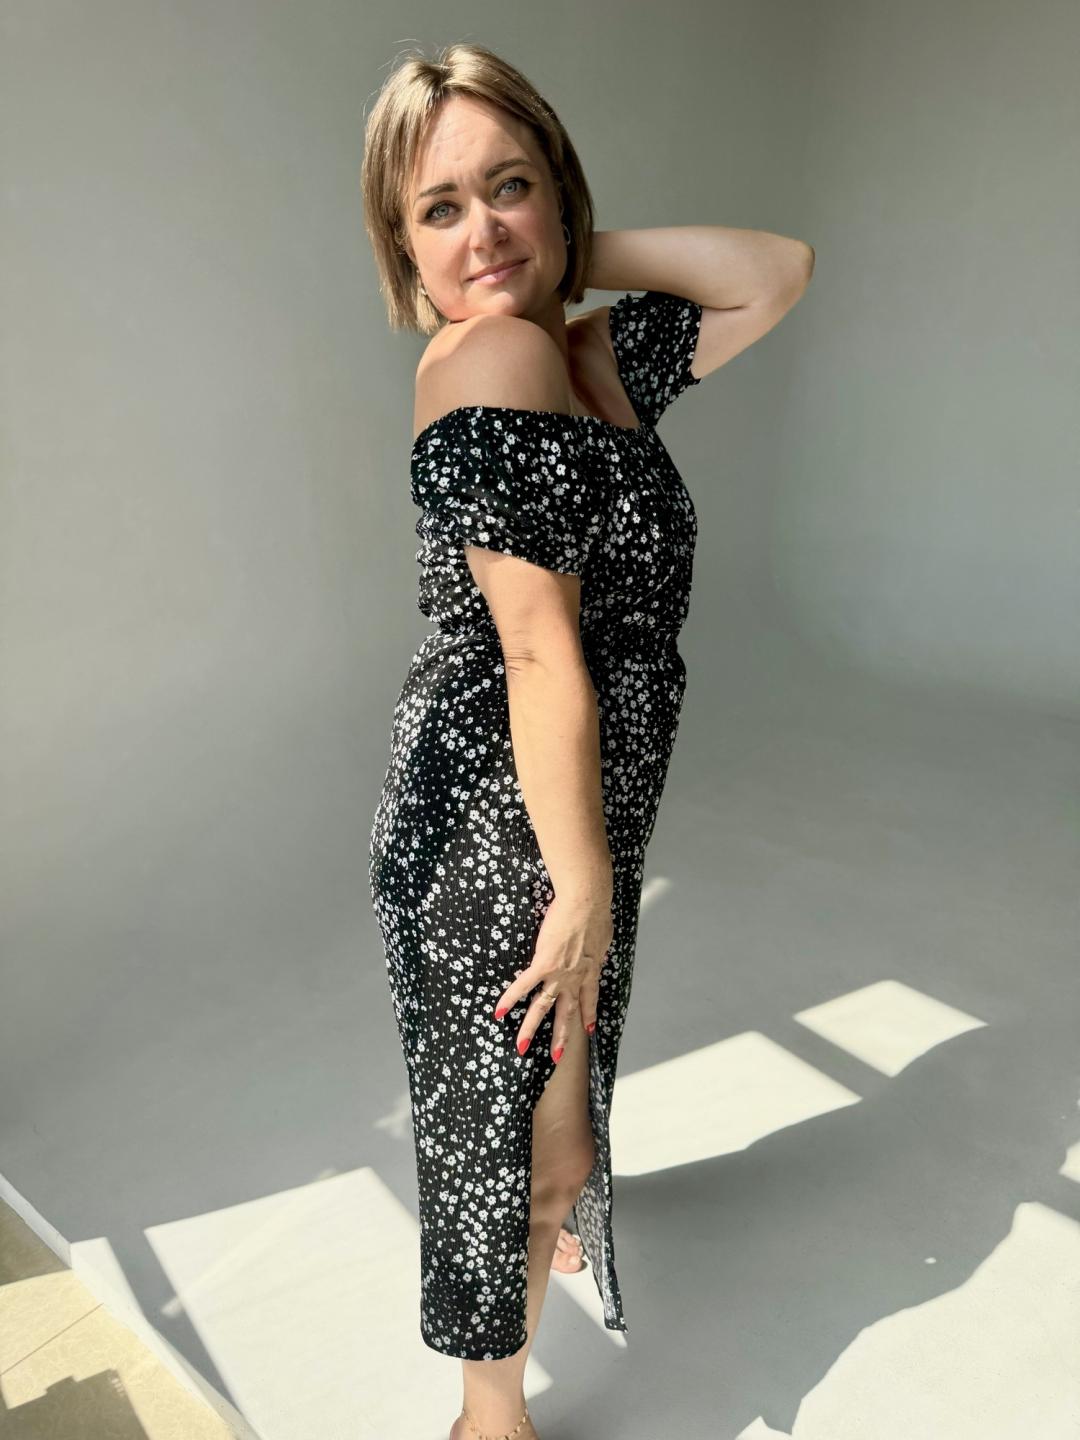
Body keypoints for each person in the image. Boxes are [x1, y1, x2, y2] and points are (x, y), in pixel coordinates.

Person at [362, 40, 813, 1440]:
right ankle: (488, 1418)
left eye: (510, 187)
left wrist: (553, 246)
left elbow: (771, 272)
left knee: (545, 1115)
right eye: (440, 211)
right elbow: (538, 649)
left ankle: (534, 1276)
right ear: (401, 246)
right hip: (498, 827)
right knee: (509, 1146)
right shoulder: (499, 356)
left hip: (569, 806)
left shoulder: (585, 353)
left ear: (558, 188)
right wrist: (585, 886)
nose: (482, 231)